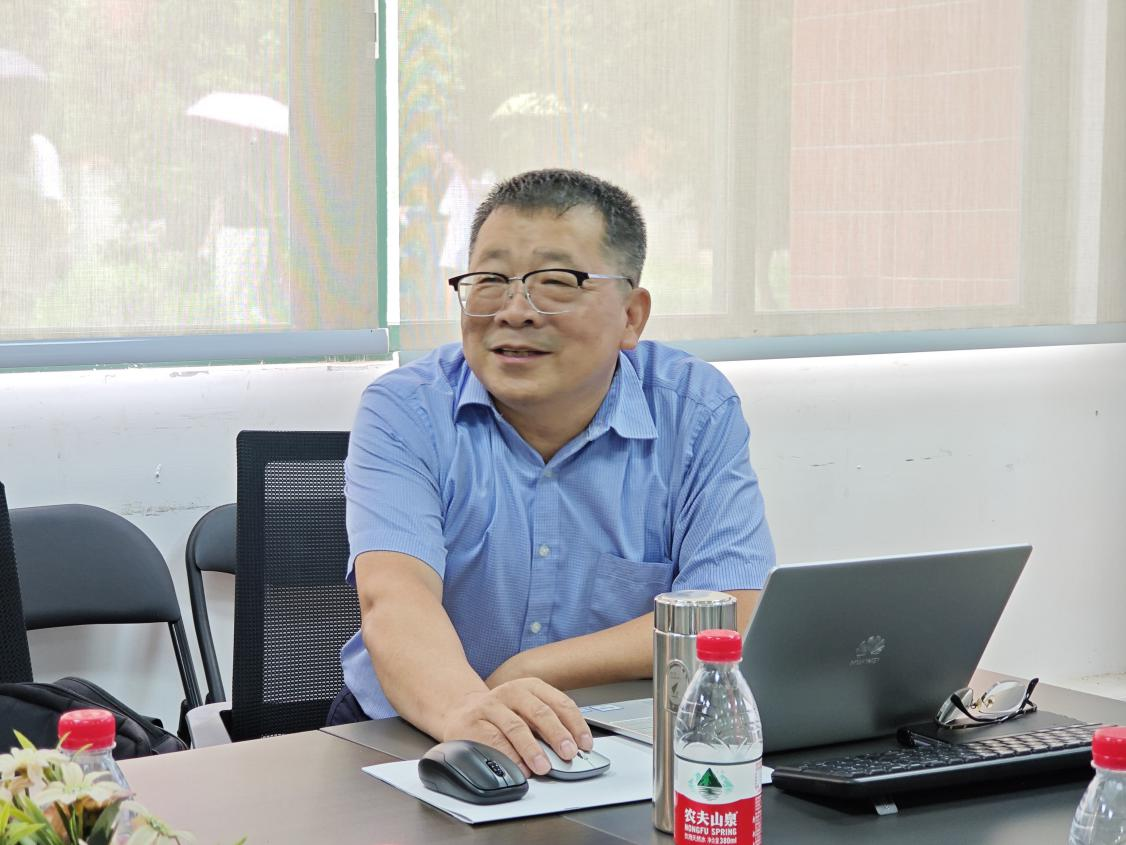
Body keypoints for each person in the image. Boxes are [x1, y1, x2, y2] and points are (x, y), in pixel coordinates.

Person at [333, 169, 775, 779]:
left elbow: (723, 613)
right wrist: (473, 710)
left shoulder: (694, 410)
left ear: (631, 316)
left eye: (556, 283)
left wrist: (528, 672)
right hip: (414, 730)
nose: (514, 312)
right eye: (490, 282)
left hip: (608, 735)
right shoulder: (406, 409)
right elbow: (395, 598)